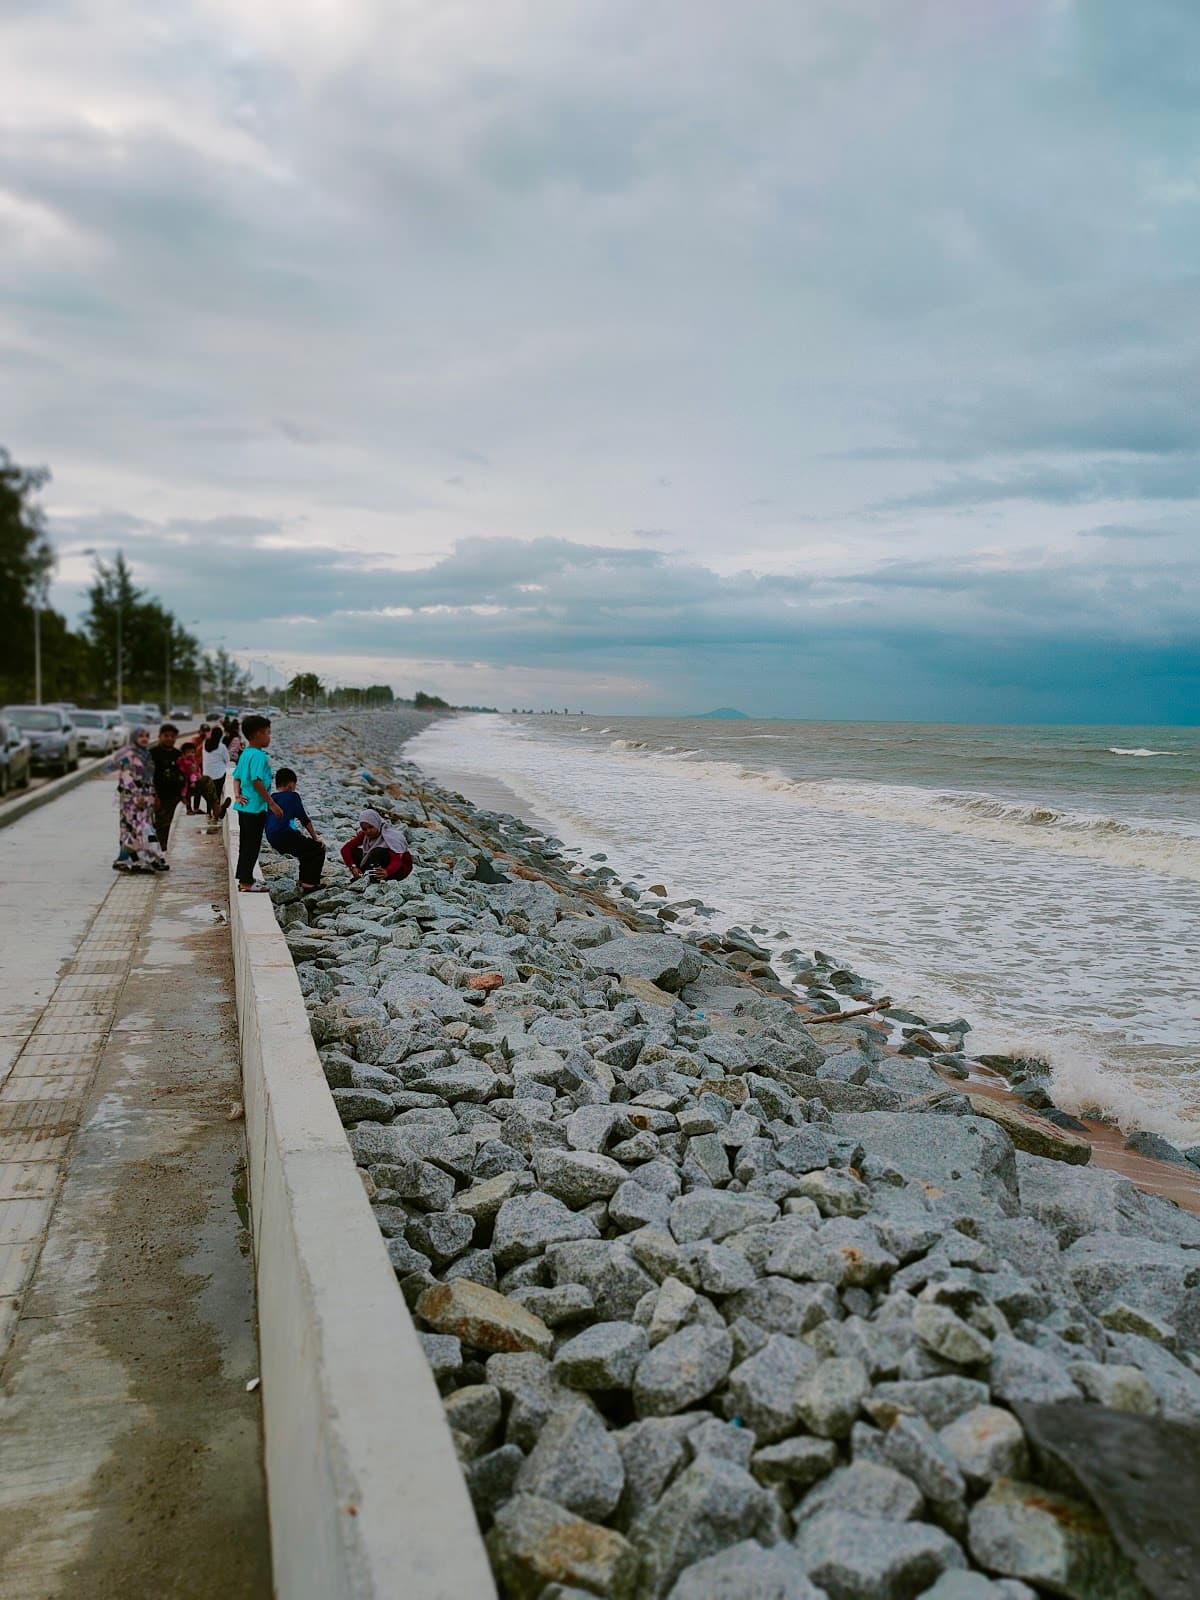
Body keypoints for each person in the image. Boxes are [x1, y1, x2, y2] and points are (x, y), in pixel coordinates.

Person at [231, 714, 281, 893]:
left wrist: (237, 795)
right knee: (252, 845)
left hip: (244, 806)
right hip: (255, 808)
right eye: (268, 733)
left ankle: (246, 877)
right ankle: (245, 882)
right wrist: (272, 803)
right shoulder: (259, 756)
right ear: (259, 734)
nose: (269, 737)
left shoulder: (246, 754)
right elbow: (256, 780)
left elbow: (236, 777)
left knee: (246, 844)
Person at [109, 726, 168, 873]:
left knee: (136, 830)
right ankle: (155, 858)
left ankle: (134, 861)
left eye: (146, 736)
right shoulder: (128, 755)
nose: (144, 739)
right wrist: (137, 795)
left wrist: (152, 795)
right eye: (141, 736)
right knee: (140, 828)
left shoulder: (145, 755)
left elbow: (149, 778)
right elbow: (126, 776)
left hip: (145, 798)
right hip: (131, 799)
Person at [265, 768, 326, 891]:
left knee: (305, 850)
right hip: (285, 835)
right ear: (290, 785)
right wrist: (316, 838)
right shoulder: (293, 796)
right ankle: (310, 883)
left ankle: (303, 880)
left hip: (272, 838)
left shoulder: (272, 798)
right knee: (317, 849)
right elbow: (304, 819)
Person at [340, 807, 413, 882]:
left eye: (371, 827)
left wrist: (387, 872)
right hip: (380, 865)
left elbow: (397, 860)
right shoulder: (365, 835)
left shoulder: (390, 837)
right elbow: (345, 849)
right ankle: (363, 876)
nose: (368, 831)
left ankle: (375, 878)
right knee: (355, 852)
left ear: (376, 824)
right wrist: (353, 867)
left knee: (377, 852)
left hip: (399, 869)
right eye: (364, 829)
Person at [149, 723, 184, 850]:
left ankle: (164, 851)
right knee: (160, 826)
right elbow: (149, 777)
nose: (169, 739)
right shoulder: (153, 753)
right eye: (166, 736)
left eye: (172, 736)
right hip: (159, 797)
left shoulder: (178, 754)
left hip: (175, 797)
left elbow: (183, 774)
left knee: (171, 826)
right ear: (160, 736)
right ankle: (158, 852)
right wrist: (155, 797)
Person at [198, 724, 232, 830]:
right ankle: (217, 812)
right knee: (216, 793)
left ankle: (210, 813)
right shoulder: (221, 747)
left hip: (206, 774)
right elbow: (227, 760)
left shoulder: (205, 744)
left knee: (209, 794)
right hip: (219, 775)